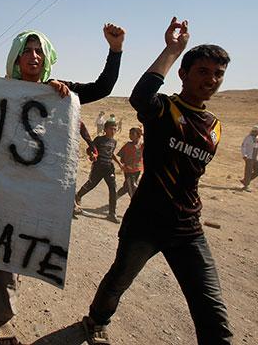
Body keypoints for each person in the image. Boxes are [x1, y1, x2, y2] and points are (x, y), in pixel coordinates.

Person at [82, 17, 233, 345]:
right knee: (118, 282)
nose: (211, 80)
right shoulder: (165, 109)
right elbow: (140, 96)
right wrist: (172, 50)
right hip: (146, 224)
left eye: (218, 74)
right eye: (203, 71)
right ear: (184, 74)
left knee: (212, 312)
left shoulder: (215, 127)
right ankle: (95, 320)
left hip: (188, 229)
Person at [0, 24, 125, 344]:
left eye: (39, 51)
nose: (33, 56)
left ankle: (3, 292)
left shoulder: (61, 91)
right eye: (26, 51)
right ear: (16, 58)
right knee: (1, 246)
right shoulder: (1, 87)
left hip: (39, 191)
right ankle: (2, 318)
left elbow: (102, 87)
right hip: (3, 185)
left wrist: (115, 51)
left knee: (22, 246)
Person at [74, 118, 123, 223]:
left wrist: (119, 163)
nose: (113, 131)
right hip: (98, 167)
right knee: (91, 185)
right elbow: (90, 150)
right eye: (111, 129)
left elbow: (111, 153)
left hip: (109, 168)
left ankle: (112, 214)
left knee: (113, 189)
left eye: (115, 129)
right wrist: (92, 155)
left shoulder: (114, 142)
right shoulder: (99, 139)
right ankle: (78, 196)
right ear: (105, 129)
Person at [115, 127, 144, 200]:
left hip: (137, 170)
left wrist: (142, 133)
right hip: (128, 171)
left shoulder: (141, 145)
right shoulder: (127, 145)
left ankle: (114, 197)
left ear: (138, 135)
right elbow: (121, 157)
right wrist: (124, 163)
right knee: (132, 188)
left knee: (127, 187)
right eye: (129, 134)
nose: (130, 135)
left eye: (132, 134)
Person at [240, 125, 258, 192]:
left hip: (256, 157)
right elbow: (243, 146)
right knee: (248, 171)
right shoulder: (248, 138)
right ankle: (246, 186)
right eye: (256, 131)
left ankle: (245, 181)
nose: (257, 133)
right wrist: (244, 155)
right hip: (249, 157)